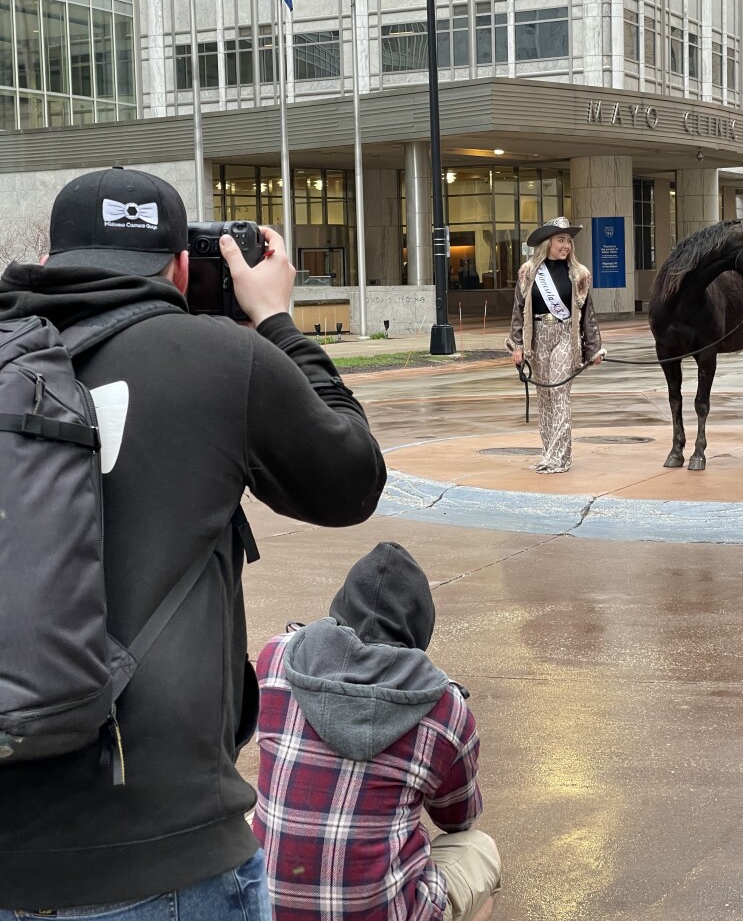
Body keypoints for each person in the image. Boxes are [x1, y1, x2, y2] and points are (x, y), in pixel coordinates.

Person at [0, 166, 386, 919]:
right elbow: (351, 479)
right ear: (182, 268)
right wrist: (277, 323)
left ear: (48, 260)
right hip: (166, 850)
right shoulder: (220, 359)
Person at [253, 541, 502, 921]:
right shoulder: (446, 709)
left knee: (254, 822)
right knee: (479, 850)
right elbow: (458, 819)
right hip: (385, 913)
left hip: (264, 908)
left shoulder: (276, 659)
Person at [506, 216, 602, 474]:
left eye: (568, 241)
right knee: (545, 396)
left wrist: (594, 348)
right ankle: (548, 452)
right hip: (538, 336)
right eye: (561, 240)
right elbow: (518, 310)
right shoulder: (528, 272)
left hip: (565, 335)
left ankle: (560, 458)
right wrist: (517, 345)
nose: (566, 246)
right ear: (548, 243)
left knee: (559, 392)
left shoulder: (579, 274)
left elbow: (588, 314)